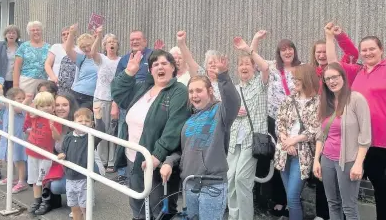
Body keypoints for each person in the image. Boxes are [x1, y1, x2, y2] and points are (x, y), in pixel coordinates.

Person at [111, 49, 190, 219]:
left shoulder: (179, 91)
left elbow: (174, 126)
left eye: (164, 64)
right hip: (134, 158)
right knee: (137, 204)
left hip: (157, 161)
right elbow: (118, 94)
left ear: (173, 68)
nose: (160, 67)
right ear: (150, 70)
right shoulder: (142, 87)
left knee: (160, 208)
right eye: (155, 64)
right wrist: (129, 72)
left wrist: (157, 154)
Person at [161, 55, 240, 220]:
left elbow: (233, 101)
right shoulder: (188, 121)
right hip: (189, 184)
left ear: (210, 91)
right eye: (191, 91)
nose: (194, 95)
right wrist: (169, 162)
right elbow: (183, 151)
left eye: (199, 90)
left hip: (213, 185)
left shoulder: (220, 112)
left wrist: (224, 76)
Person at [326, 26, 386, 220]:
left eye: (372, 49)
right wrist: (333, 36)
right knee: (352, 190)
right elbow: (333, 64)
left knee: (382, 189)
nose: (368, 53)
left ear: (381, 50)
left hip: (381, 141)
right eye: (364, 50)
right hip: (358, 142)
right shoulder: (357, 72)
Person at [310, 22, 360, 220]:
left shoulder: (343, 68)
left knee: (346, 199)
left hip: (344, 131)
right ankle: (323, 215)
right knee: (325, 181)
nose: (322, 55)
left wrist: (337, 36)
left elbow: (352, 53)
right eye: (318, 52)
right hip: (324, 127)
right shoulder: (313, 73)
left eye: (325, 51)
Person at [313, 63, 371, 220]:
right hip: (327, 159)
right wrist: (316, 160)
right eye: (327, 79)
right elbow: (321, 134)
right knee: (333, 204)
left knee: (349, 207)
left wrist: (358, 164)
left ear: (343, 77)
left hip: (348, 161)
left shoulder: (356, 99)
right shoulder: (326, 102)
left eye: (334, 77)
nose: (331, 81)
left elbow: (365, 137)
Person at [227, 31, 270, 220]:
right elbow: (225, 114)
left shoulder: (260, 84)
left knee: (242, 179)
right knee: (230, 179)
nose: (244, 67)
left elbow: (266, 67)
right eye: (241, 64)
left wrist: (249, 47)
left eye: (247, 64)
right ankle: (233, 216)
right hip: (234, 138)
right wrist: (234, 112)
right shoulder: (235, 90)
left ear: (253, 68)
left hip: (251, 141)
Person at [257, 38, 301, 216]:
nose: (287, 52)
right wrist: (253, 43)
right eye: (283, 50)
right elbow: (256, 60)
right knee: (278, 161)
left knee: (294, 160)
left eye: (290, 49)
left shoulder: (302, 68)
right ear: (279, 53)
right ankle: (279, 200)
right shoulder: (273, 67)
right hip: (274, 119)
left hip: (296, 122)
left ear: (294, 51)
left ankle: (293, 201)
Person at [274, 64, 320, 220]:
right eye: (293, 78)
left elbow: (315, 129)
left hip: (302, 155)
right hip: (283, 151)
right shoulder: (289, 98)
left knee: (293, 197)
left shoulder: (317, 102)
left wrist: (295, 140)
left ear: (307, 78)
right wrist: (286, 141)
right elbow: (279, 121)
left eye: (297, 78)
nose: (294, 81)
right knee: (290, 197)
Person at [112, 30, 153, 185]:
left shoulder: (152, 55)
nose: (134, 42)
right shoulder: (124, 59)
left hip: (146, 101)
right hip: (127, 102)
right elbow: (117, 83)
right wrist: (114, 105)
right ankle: (124, 173)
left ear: (145, 40)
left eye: (138, 39)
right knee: (124, 135)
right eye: (132, 40)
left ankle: (142, 172)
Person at [35, 92, 79, 216]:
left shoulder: (77, 122)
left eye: (65, 105)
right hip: (60, 161)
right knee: (42, 167)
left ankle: (83, 199)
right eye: (57, 105)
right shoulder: (51, 120)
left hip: (79, 163)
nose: (60, 108)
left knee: (57, 186)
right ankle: (48, 201)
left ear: (71, 106)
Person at [57, 107, 105, 220]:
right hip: (70, 177)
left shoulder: (90, 137)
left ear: (91, 124)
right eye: (80, 121)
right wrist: (63, 154)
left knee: (85, 207)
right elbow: (64, 149)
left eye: (87, 121)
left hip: (84, 178)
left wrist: (98, 116)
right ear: (74, 123)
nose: (83, 123)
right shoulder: (68, 137)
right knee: (74, 207)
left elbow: (101, 132)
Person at [23, 92, 62, 213]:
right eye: (42, 105)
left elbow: (57, 138)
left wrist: (52, 128)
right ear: (37, 106)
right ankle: (37, 200)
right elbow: (26, 110)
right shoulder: (35, 115)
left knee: (44, 180)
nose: (46, 108)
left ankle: (45, 202)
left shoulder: (55, 119)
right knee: (35, 179)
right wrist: (30, 101)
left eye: (49, 105)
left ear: (53, 106)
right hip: (32, 151)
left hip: (46, 155)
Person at [92, 28, 121, 173]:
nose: (111, 44)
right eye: (109, 42)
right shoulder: (101, 59)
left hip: (115, 100)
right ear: (105, 45)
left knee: (113, 131)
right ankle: (102, 160)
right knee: (101, 129)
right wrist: (98, 36)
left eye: (114, 41)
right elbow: (92, 53)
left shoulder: (122, 61)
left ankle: (112, 160)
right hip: (100, 98)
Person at [0, 88, 32, 193]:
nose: (21, 100)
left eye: (22, 98)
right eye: (18, 98)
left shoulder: (21, 108)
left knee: (19, 160)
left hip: (18, 137)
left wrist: (27, 100)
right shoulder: (7, 107)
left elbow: (18, 108)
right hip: (7, 137)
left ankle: (21, 181)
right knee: (9, 158)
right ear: (11, 99)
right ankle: (11, 177)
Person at [176, 30, 223, 100]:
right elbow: (189, 60)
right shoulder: (202, 77)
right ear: (206, 67)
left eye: (215, 62)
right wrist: (181, 43)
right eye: (210, 63)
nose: (213, 65)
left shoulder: (225, 82)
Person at [64, 23, 99, 110]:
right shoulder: (82, 58)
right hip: (77, 93)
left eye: (88, 45)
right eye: (83, 47)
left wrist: (99, 36)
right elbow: (68, 50)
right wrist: (71, 33)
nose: (86, 48)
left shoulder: (102, 58)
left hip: (93, 96)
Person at [13, 21, 50, 96]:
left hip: (43, 82)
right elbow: (16, 67)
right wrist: (16, 86)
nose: (36, 32)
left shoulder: (49, 47)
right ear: (29, 32)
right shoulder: (23, 46)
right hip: (26, 81)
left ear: (41, 31)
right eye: (33, 30)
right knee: (25, 104)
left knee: (41, 104)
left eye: (38, 30)